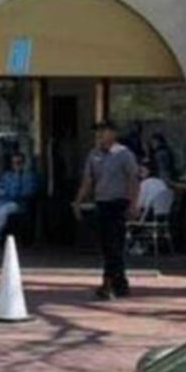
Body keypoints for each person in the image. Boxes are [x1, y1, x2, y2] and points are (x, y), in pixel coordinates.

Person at [74, 120, 140, 300]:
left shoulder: (124, 154)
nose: (99, 135)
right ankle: (119, 283)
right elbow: (88, 180)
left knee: (115, 244)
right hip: (101, 203)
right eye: (98, 132)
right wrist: (78, 201)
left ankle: (109, 282)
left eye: (103, 131)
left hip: (118, 203)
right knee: (106, 245)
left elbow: (133, 180)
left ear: (113, 133)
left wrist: (133, 204)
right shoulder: (93, 154)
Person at [0, 152, 37, 244]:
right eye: (13, 163)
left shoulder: (28, 176)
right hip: (2, 200)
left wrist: (14, 191)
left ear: (23, 163)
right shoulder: (7, 175)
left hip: (18, 203)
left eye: (18, 162)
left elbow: (29, 191)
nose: (16, 165)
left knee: (3, 210)